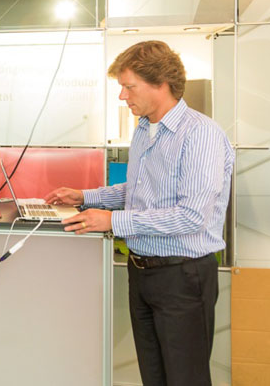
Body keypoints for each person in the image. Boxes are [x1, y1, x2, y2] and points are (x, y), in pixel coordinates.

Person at [46, 40, 233, 386]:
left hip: (183, 276)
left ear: (160, 83)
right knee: (153, 376)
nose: (122, 96)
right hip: (143, 273)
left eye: (129, 87)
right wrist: (86, 196)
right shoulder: (145, 129)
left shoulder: (201, 134)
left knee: (185, 379)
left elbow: (192, 216)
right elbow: (140, 191)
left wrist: (112, 221)